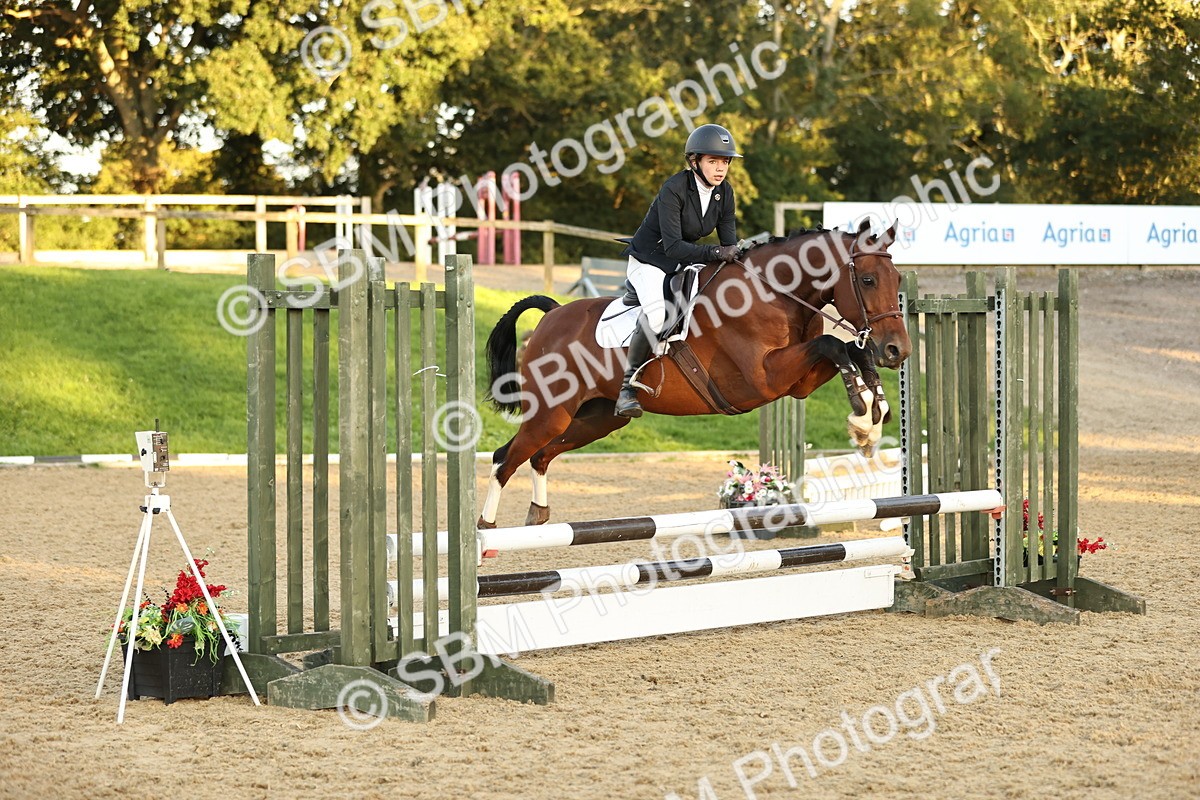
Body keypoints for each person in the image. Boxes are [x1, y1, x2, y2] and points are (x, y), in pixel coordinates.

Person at [615, 122, 743, 418]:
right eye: (713, 161)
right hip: (650, 259)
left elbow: (729, 243)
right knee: (659, 315)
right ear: (694, 161)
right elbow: (673, 247)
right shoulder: (674, 188)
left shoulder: (724, 192)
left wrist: (737, 257)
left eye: (725, 162)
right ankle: (626, 388)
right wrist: (715, 252)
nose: (720, 168)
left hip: (682, 261)